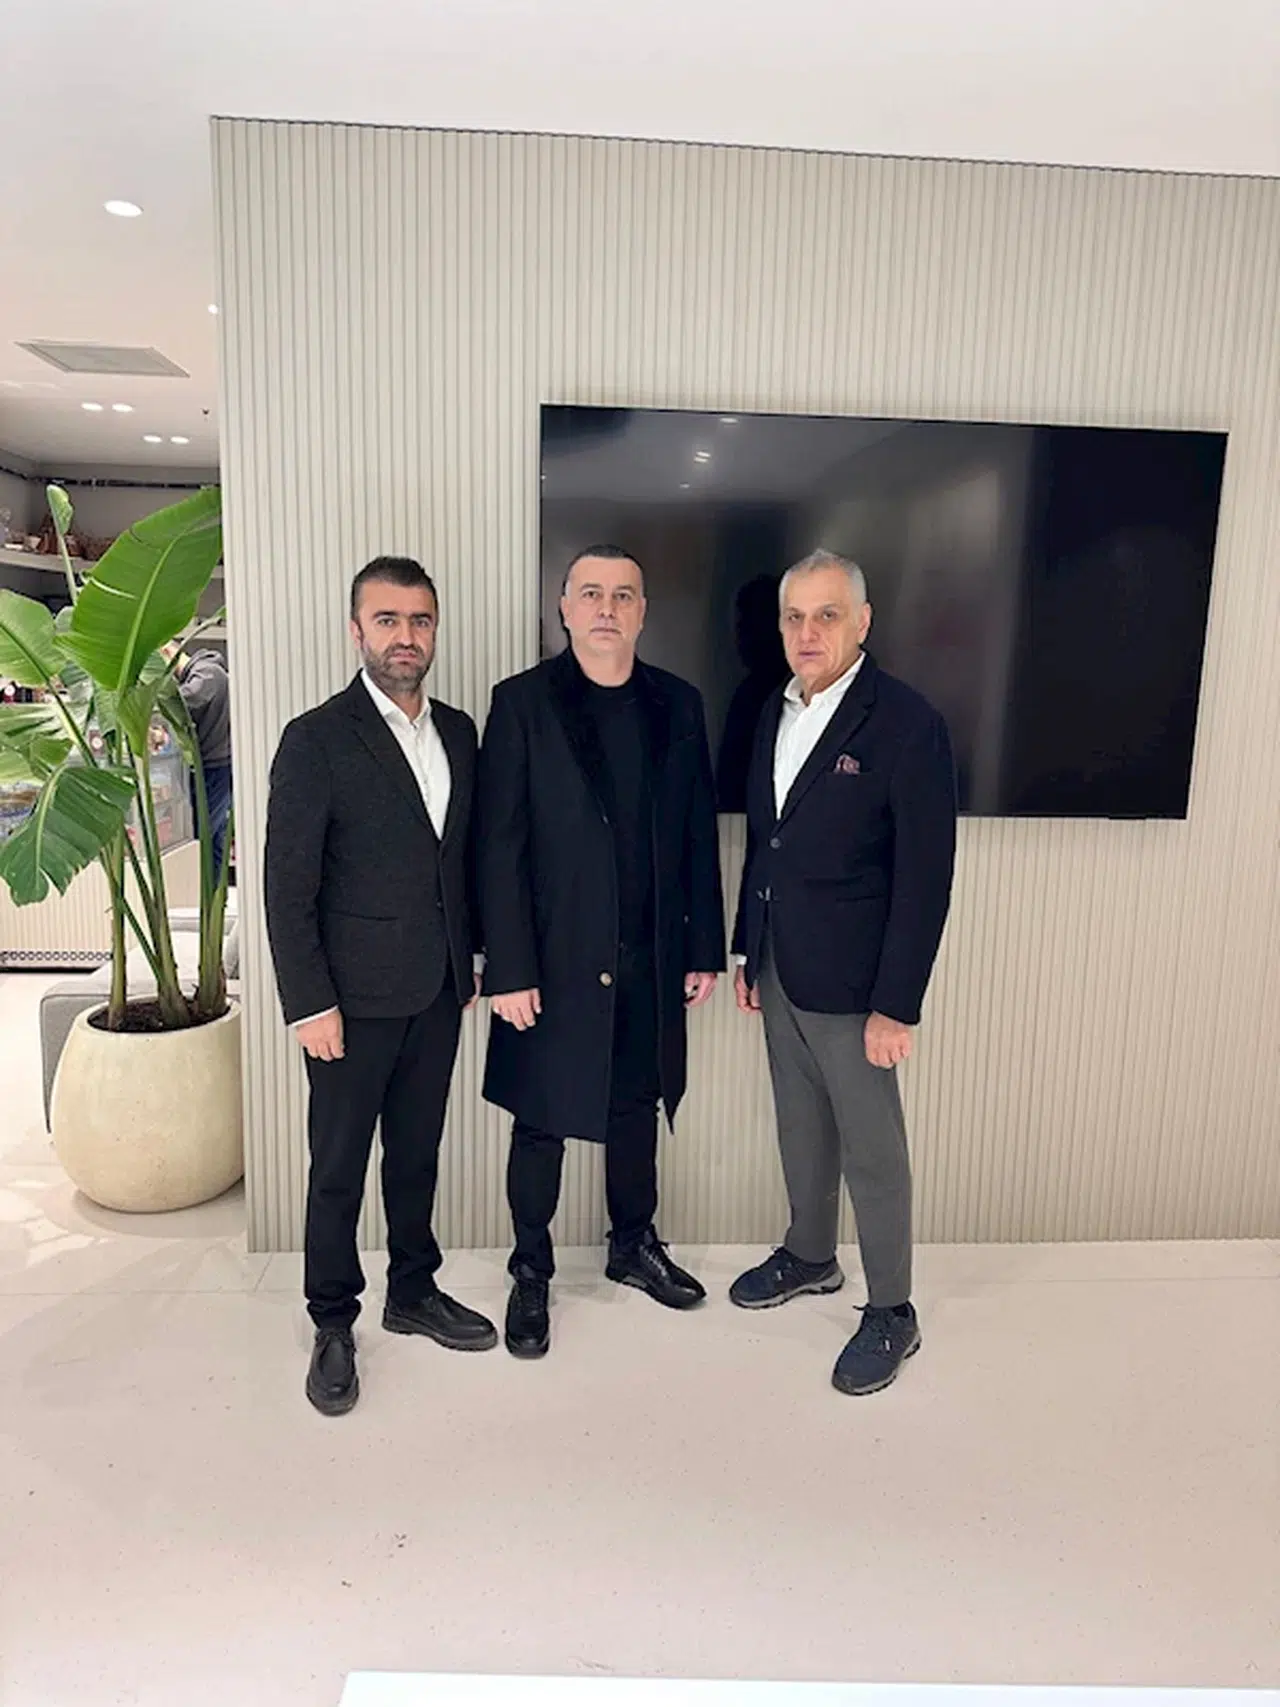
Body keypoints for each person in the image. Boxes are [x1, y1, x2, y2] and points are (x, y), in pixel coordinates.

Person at [477, 544, 726, 1359]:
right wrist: (507, 966)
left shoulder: (679, 704)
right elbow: (498, 845)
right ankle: (530, 1269)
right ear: (565, 607)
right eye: (591, 592)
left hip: (649, 950)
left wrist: (703, 946)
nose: (607, 607)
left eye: (623, 594)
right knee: (540, 1118)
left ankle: (632, 1244)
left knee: (635, 1105)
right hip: (550, 960)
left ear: (643, 612)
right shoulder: (521, 703)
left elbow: (697, 834)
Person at [264, 556, 496, 1417]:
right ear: (356, 630)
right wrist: (308, 1003)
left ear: (434, 631)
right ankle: (332, 1319)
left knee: (417, 1153)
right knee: (337, 1168)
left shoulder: (459, 733)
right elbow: (287, 888)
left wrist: (472, 956)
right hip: (347, 1006)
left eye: (420, 620)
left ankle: (414, 1288)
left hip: (438, 991)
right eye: (388, 619)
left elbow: (462, 861)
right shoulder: (316, 738)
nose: (406, 636)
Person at [729, 549, 956, 1396]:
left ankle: (893, 1307)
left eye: (827, 615)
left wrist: (897, 1005)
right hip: (781, 967)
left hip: (859, 988)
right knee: (800, 1126)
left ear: (862, 621)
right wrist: (748, 947)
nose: (808, 631)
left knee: (872, 1148)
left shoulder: (907, 722)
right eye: (794, 616)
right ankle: (811, 1254)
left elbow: (926, 877)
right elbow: (765, 842)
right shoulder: (774, 708)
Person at [174, 647, 234, 875]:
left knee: (203, 833)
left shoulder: (207, 672)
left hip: (214, 768)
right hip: (218, 766)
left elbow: (187, 699)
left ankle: (204, 889)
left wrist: (155, 701)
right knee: (215, 837)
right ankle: (214, 889)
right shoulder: (209, 671)